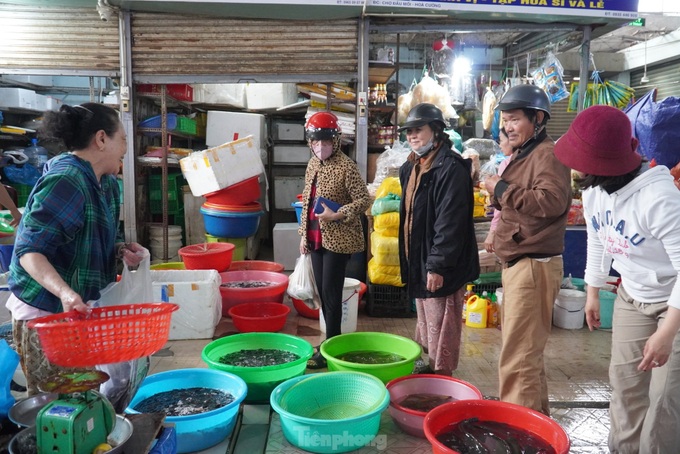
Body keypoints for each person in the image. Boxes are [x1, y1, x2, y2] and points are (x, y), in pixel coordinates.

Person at [554, 104, 680, 454]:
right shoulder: (594, 191)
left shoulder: (659, 198)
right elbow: (598, 236)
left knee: (665, 401)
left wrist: (667, 332)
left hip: (674, 306)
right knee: (626, 390)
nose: (574, 168)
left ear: (601, 165)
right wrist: (592, 290)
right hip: (631, 299)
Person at [6, 103, 145, 395]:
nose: (125, 149)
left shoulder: (105, 183)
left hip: (78, 310)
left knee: (88, 400)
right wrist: (65, 292)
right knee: (59, 407)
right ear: (101, 139)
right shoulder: (66, 180)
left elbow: (85, 235)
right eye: (123, 139)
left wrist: (120, 249)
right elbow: (30, 252)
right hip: (48, 316)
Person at [482, 85, 572, 415]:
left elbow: (551, 202)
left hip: (533, 265)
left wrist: (501, 188)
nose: (507, 126)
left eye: (514, 119)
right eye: (505, 119)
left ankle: (518, 435)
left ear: (537, 119)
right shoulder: (526, 153)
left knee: (518, 361)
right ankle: (537, 427)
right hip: (522, 261)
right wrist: (497, 190)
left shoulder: (548, 154)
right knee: (526, 358)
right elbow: (521, 198)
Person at [398, 103, 480, 376]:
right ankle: (430, 371)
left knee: (442, 325)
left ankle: (442, 379)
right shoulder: (410, 167)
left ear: (435, 131)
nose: (412, 136)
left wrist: (437, 265)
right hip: (419, 258)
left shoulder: (450, 168)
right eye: (408, 131)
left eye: (417, 130)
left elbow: (450, 223)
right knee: (426, 321)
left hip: (439, 264)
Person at [298, 111, 371, 369]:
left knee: (331, 294)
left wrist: (338, 213)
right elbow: (306, 203)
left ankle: (331, 348)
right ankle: (330, 342)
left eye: (326, 142)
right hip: (316, 238)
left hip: (338, 241)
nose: (321, 148)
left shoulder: (346, 166)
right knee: (322, 292)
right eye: (316, 142)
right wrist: (303, 235)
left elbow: (364, 200)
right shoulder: (312, 165)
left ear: (336, 141)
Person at [483, 127, 512, 253]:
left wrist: (492, 232)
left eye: (501, 140)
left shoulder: (507, 164)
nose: (499, 145)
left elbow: (501, 205)